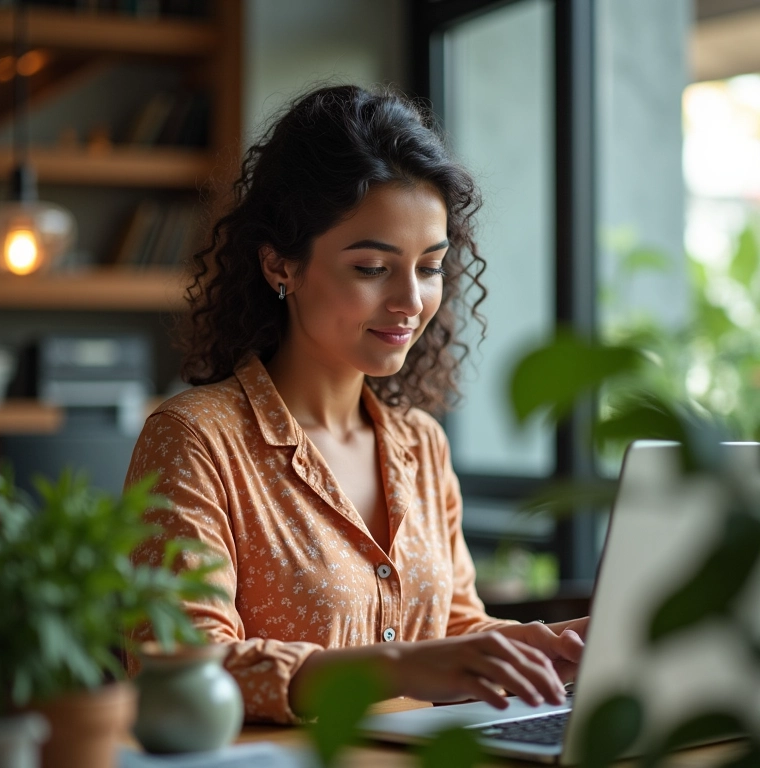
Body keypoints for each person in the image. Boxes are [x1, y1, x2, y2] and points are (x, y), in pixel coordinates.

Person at [125, 84, 588, 724]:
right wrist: (398, 668)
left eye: (430, 267)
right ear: (279, 266)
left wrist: (539, 647)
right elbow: (178, 666)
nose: (410, 301)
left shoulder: (421, 444)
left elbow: (452, 634)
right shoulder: (196, 438)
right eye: (372, 268)